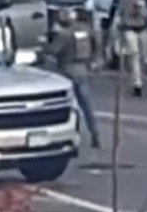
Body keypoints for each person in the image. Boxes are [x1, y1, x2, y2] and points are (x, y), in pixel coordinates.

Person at [41, 18, 102, 149]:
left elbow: (52, 51)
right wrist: (93, 59)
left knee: (69, 105)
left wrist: (44, 44)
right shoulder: (85, 29)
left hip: (67, 70)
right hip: (83, 69)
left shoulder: (64, 34)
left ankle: (70, 135)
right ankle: (95, 134)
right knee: (87, 105)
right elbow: (96, 44)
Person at [112, 0, 147, 97]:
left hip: (142, 28)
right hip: (129, 29)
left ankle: (137, 75)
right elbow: (116, 11)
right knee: (135, 55)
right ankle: (137, 83)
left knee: (142, 56)